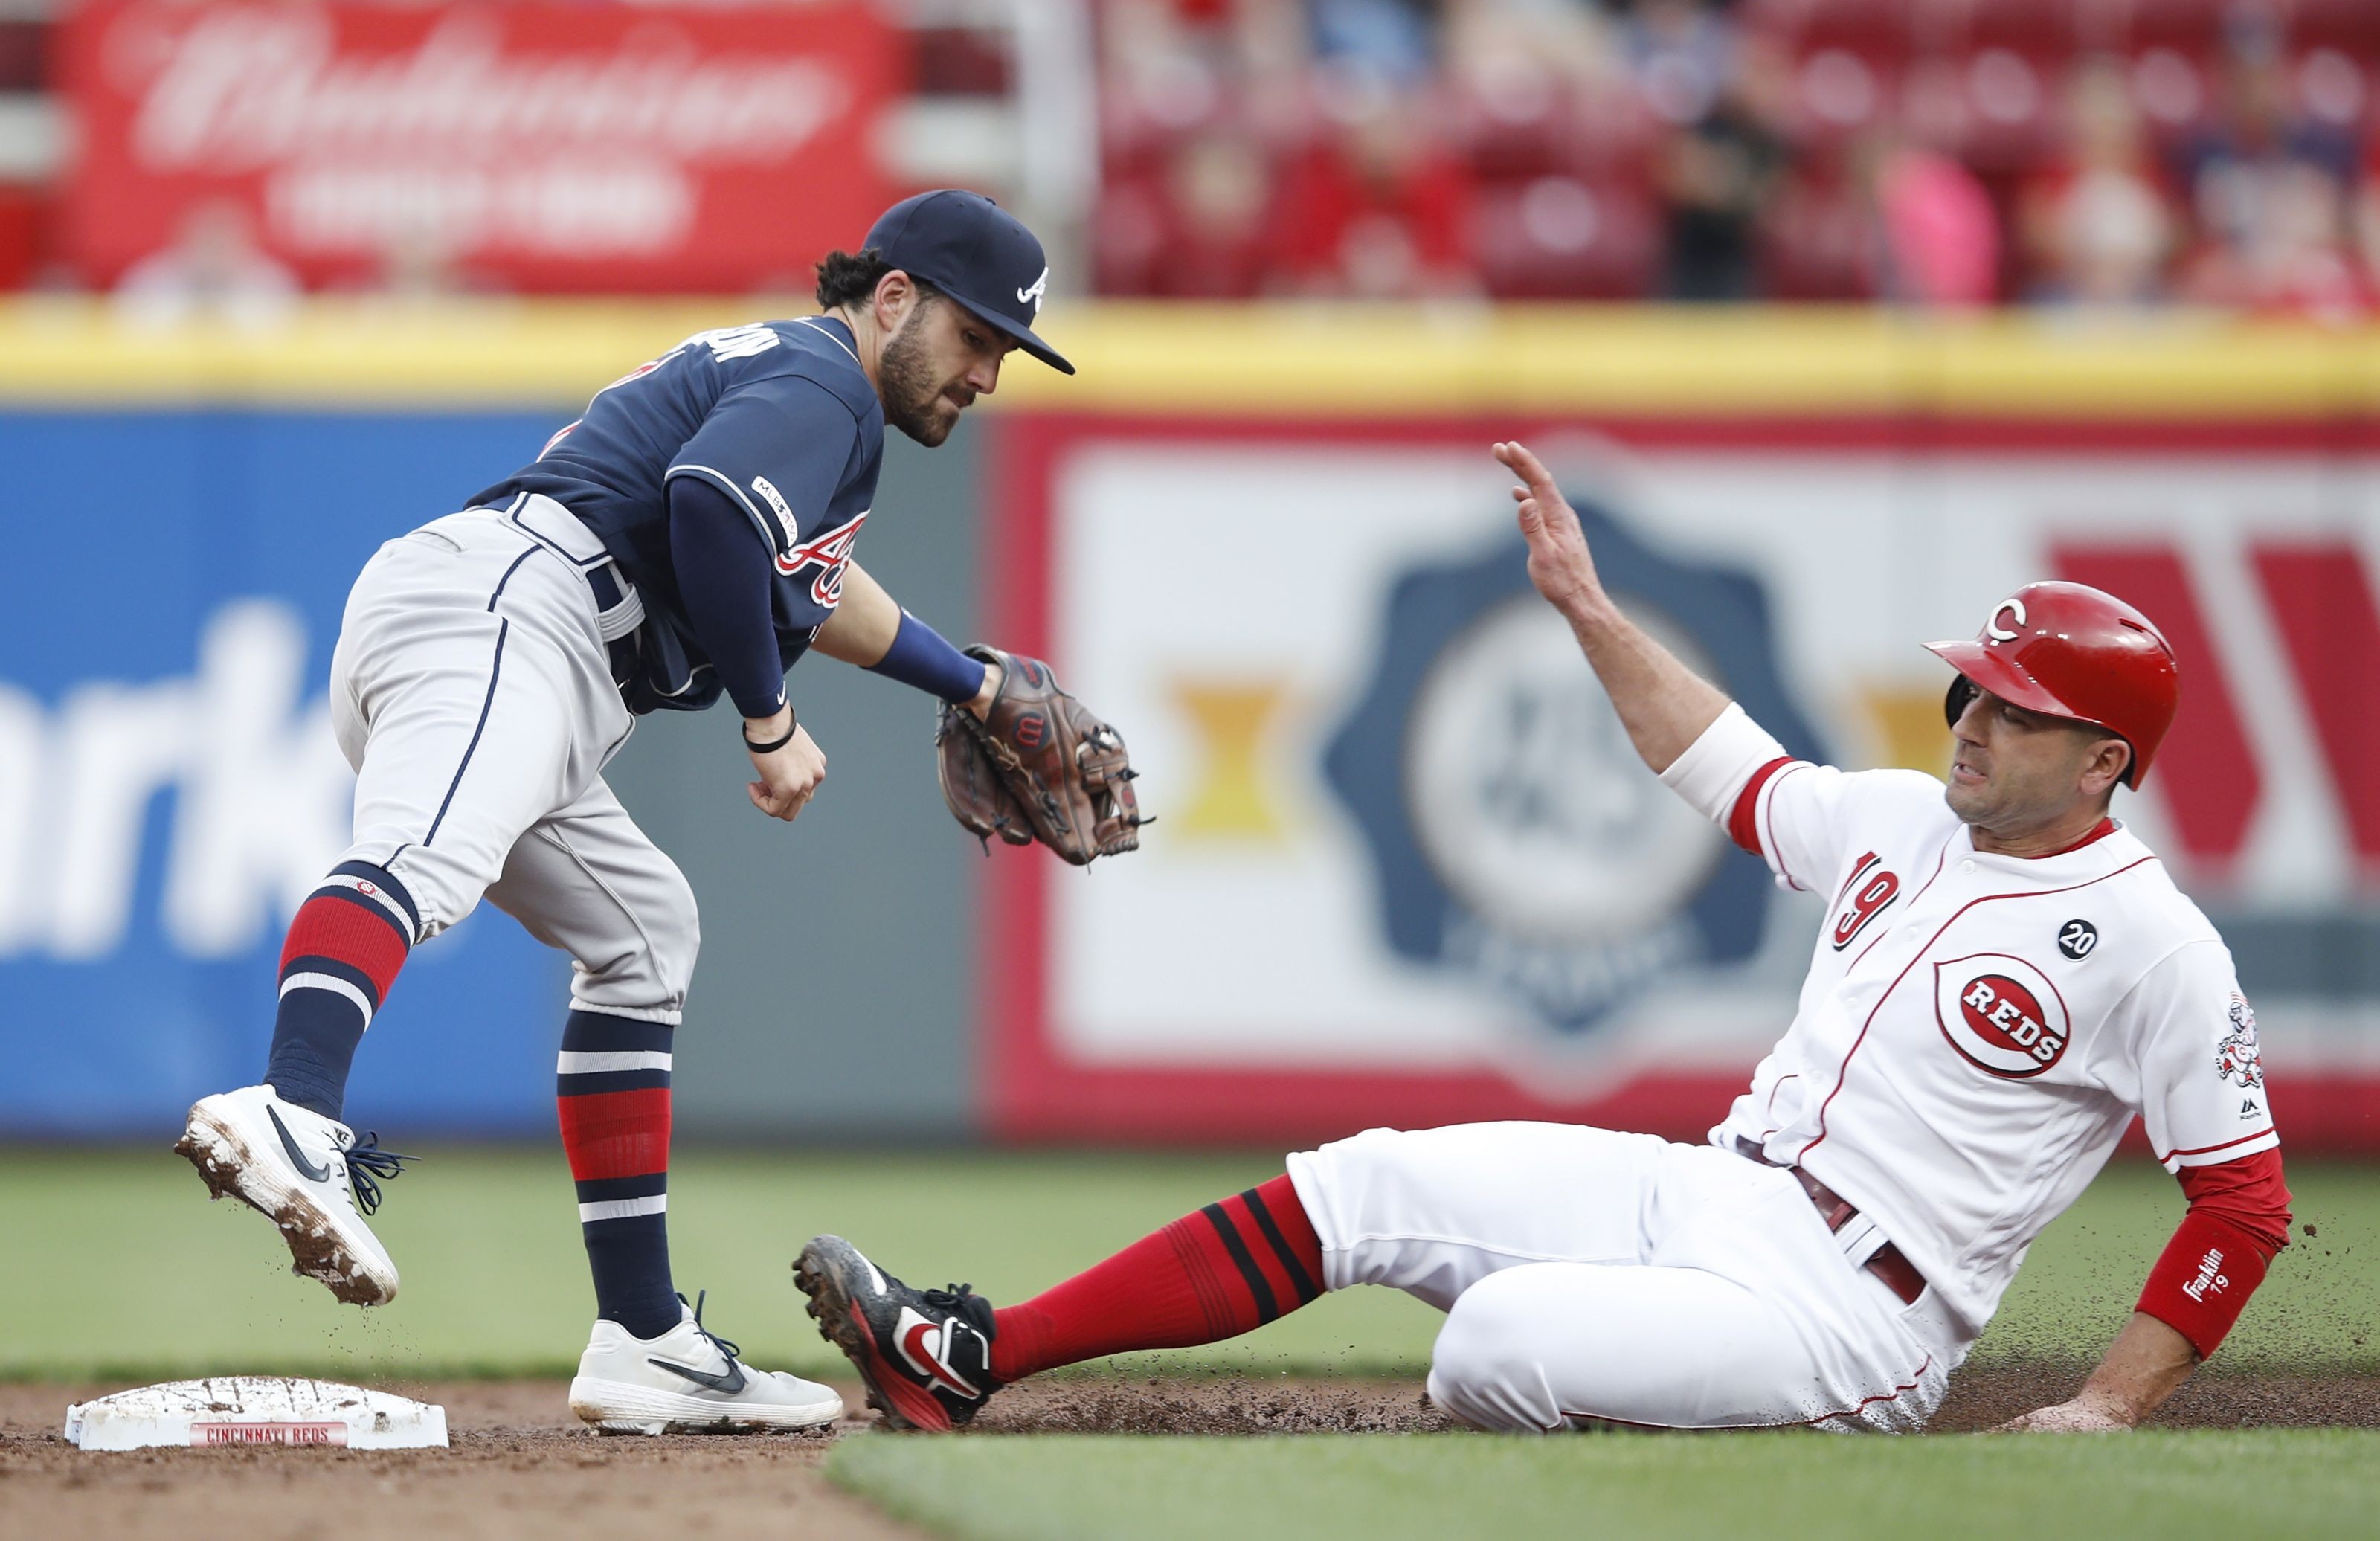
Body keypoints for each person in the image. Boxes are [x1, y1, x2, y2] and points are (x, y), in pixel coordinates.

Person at [795, 439, 2291, 1435]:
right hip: (1713, 1188)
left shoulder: (2154, 945)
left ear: (2103, 759)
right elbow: (1717, 757)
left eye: (2014, 703)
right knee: (1362, 1179)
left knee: (1493, 1339)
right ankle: (965, 1354)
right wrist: (1580, 602)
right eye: (1971, 685)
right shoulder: (1901, 815)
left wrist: (2106, 1403)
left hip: (1853, 1311)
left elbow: (2239, 1206)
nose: (1972, 715)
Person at [176, 190, 1090, 1435]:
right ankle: (290, 1110)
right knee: (423, 864)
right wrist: (767, 721)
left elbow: (804, 581)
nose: (988, 371)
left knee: (645, 933)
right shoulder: (825, 387)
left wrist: (973, 681)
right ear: (892, 299)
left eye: (1005, 351)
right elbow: (713, 502)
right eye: (977, 336)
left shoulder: (806, 382)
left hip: (525, 634)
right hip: (515, 615)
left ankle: (644, 1337)